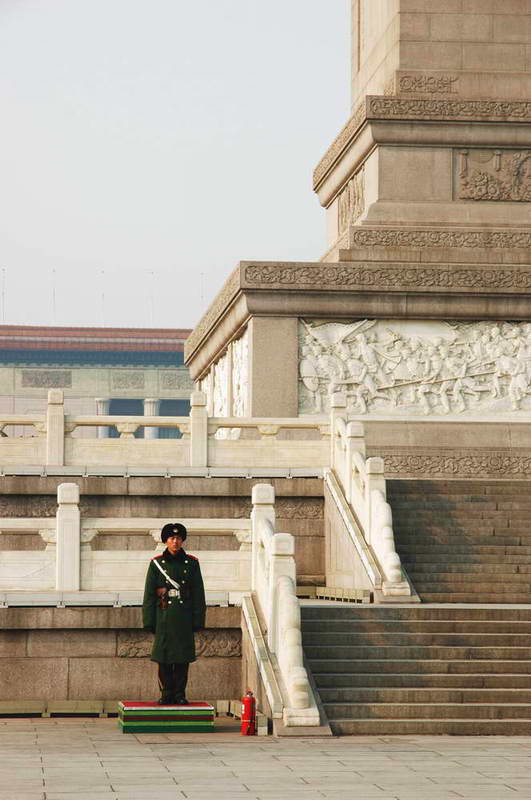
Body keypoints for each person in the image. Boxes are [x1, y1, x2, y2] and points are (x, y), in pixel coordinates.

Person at [142, 522, 206, 705]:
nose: (175, 542)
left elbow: (198, 593)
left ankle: (179, 693)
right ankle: (166, 693)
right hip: (163, 616)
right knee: (163, 658)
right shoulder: (156, 564)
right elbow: (148, 594)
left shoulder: (192, 563)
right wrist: (149, 620)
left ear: (182, 540)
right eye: (171, 538)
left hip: (184, 616)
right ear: (165, 541)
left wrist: (198, 619)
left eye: (178, 538)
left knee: (182, 658)